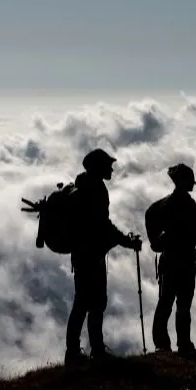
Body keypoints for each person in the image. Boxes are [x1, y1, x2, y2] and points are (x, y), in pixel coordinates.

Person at [65, 148, 143, 364]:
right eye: (108, 165)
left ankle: (76, 352)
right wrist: (129, 242)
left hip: (81, 255)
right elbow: (103, 225)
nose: (111, 169)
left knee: (82, 302)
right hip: (92, 256)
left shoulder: (82, 187)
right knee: (94, 303)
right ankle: (94, 350)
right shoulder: (96, 189)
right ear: (98, 167)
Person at [145, 163, 196, 353]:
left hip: (174, 260)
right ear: (182, 181)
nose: (193, 183)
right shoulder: (184, 204)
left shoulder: (169, 204)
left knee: (170, 302)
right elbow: (194, 230)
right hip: (182, 260)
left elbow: (194, 230)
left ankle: (166, 344)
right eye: (190, 180)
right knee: (178, 303)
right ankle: (180, 343)